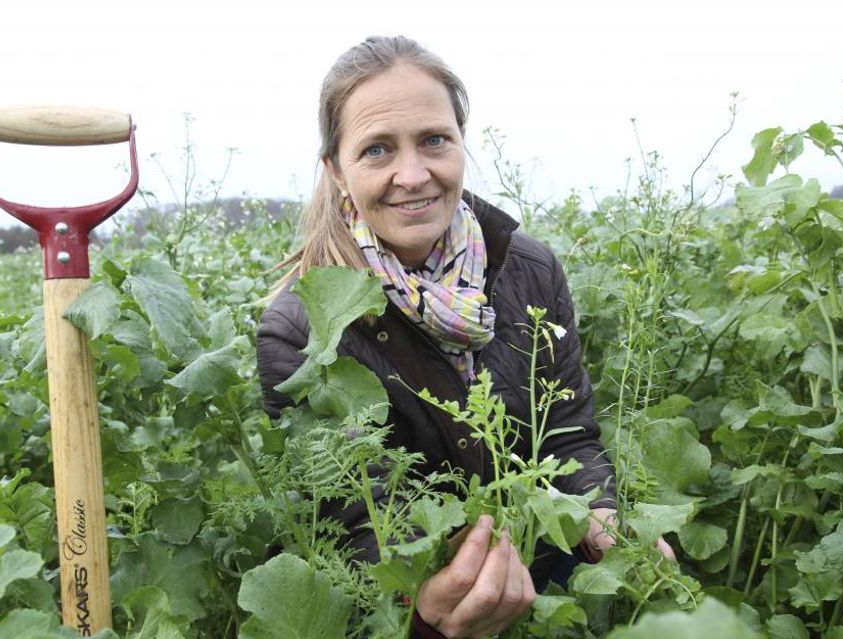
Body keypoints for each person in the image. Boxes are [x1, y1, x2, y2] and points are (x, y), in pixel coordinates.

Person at [256, 35, 672, 638]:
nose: (413, 173)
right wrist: (429, 603)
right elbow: (351, 522)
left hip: (540, 560)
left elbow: (571, 434)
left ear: (461, 140)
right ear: (336, 171)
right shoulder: (302, 328)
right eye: (377, 150)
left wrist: (602, 511)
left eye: (433, 140)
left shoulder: (528, 267)